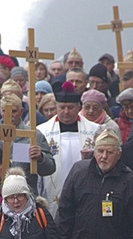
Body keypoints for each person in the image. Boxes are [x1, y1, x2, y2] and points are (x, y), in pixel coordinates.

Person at [37, 82, 100, 218]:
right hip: (55, 192)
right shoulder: (42, 131)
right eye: (62, 107)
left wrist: (93, 156)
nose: (66, 112)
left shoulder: (94, 130)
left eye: (70, 107)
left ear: (78, 107)